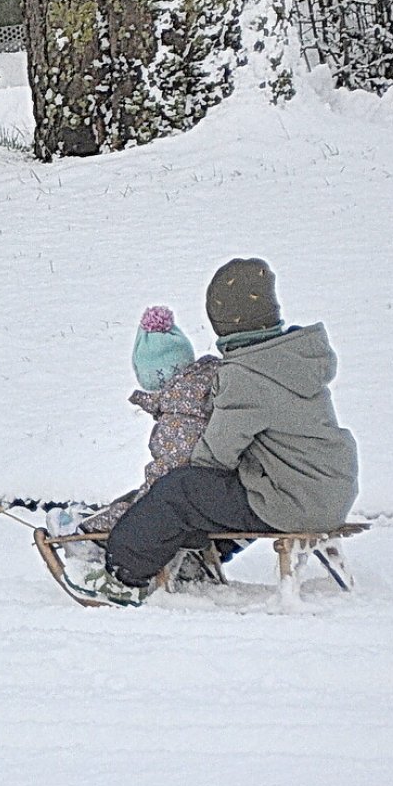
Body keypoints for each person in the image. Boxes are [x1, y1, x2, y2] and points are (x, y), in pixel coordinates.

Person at [82, 258, 360, 605]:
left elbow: (215, 455)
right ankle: (197, 555)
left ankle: (122, 573)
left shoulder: (247, 375)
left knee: (182, 489)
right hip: (331, 489)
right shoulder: (292, 357)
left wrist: (171, 469)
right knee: (230, 488)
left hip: (295, 501)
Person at [48, 306, 223, 541]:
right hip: (212, 493)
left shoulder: (178, 420)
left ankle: (87, 538)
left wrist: (95, 528)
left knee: (144, 506)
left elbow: (157, 492)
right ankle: (94, 518)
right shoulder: (203, 393)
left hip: (196, 504)